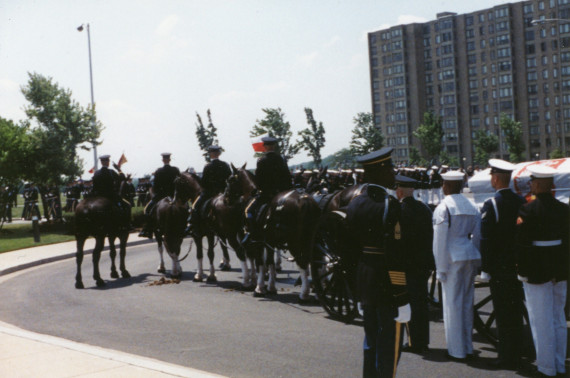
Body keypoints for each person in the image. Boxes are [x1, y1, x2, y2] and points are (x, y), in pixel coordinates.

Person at [345, 147, 411, 378]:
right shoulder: (390, 205)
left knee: (370, 340)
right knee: (389, 347)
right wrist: (402, 296)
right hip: (387, 285)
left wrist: (357, 289)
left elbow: (349, 252)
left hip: (365, 281)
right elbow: (395, 255)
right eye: (390, 168)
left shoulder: (355, 204)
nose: (393, 173)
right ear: (380, 172)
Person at [516, 165, 568, 377]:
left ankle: (546, 367)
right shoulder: (564, 209)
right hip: (560, 267)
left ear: (537, 184)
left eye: (532, 182)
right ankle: (559, 363)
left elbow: (522, 244)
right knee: (558, 318)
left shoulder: (527, 210)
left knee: (540, 319)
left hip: (536, 269)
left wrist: (521, 269)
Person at [479, 159, 526, 370]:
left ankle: (507, 357)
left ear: (496, 178)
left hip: (499, 267)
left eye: (492, 176)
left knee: (503, 312)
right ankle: (517, 351)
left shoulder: (493, 204)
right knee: (515, 312)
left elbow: (486, 240)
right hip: (516, 264)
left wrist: (486, 268)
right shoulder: (521, 202)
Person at [432, 170, 481, 361]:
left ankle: (456, 350)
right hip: (468, 254)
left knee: (452, 304)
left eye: (444, 184)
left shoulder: (444, 207)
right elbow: (477, 236)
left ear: (448, 185)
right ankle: (467, 346)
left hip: (451, 258)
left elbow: (440, 241)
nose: (442, 187)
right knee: (467, 302)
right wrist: (476, 257)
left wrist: (440, 267)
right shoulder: (471, 205)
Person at [395, 174, 434, 354]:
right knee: (421, 302)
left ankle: (413, 342)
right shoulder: (424, 208)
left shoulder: (398, 211)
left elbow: (398, 240)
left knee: (408, 303)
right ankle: (422, 340)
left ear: (400, 191)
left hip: (406, 264)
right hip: (423, 262)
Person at [242, 136, 292, 245]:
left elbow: (259, 180)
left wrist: (257, 190)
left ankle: (252, 234)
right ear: (274, 146)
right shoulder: (282, 159)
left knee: (248, 210)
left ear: (264, 146)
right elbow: (287, 177)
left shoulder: (261, 160)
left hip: (267, 195)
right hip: (283, 193)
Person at [186, 145, 231, 237]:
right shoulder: (225, 165)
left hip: (210, 193)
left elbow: (204, 183)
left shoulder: (208, 166)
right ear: (219, 153)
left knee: (195, 206)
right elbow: (229, 179)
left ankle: (194, 226)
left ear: (210, 155)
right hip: (224, 192)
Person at [139, 153, 180, 238]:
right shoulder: (175, 170)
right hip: (173, 196)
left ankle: (147, 230)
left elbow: (155, 186)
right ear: (170, 159)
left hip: (160, 196)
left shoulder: (158, 171)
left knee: (147, 209)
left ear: (163, 160)